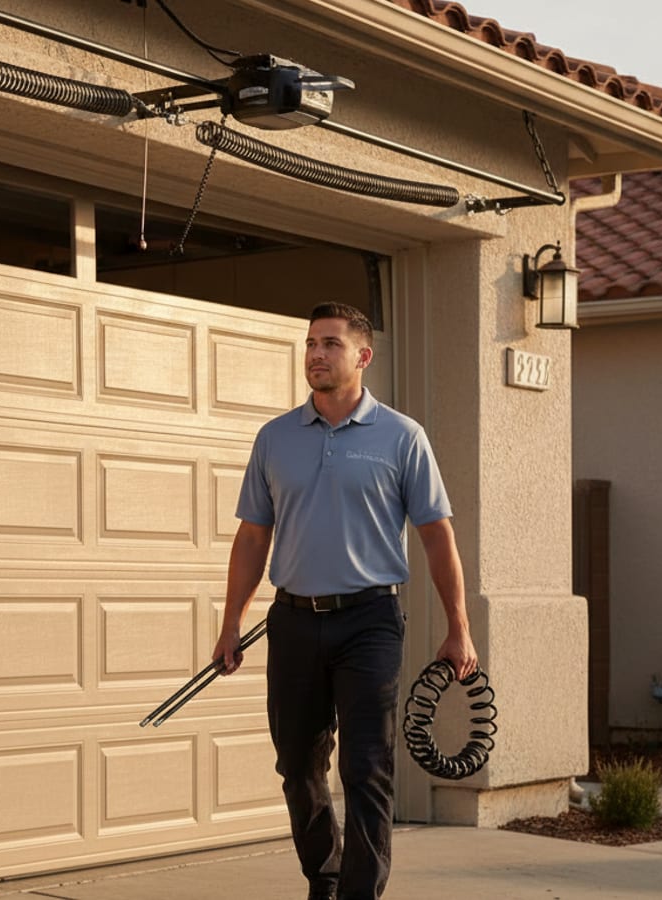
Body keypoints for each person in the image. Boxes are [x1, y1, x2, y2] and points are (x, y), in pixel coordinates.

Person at [212, 301, 478, 900]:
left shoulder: (402, 437)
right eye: (310, 343)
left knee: (366, 767)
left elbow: (437, 535)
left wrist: (458, 626)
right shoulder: (275, 438)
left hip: (369, 622)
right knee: (299, 769)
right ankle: (324, 878)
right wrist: (231, 623)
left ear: (363, 356)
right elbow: (253, 536)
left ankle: (359, 893)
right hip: (294, 621)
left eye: (330, 343)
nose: (316, 354)